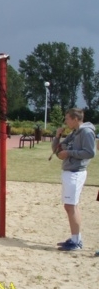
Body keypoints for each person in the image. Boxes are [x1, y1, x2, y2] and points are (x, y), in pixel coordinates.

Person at [51, 108, 95, 251]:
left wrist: (69, 152)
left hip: (76, 172)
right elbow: (57, 150)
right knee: (69, 206)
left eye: (67, 119)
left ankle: (76, 241)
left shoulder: (86, 132)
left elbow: (90, 152)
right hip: (69, 171)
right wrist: (57, 137)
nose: (66, 121)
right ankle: (76, 238)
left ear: (75, 119)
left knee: (71, 206)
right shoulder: (74, 133)